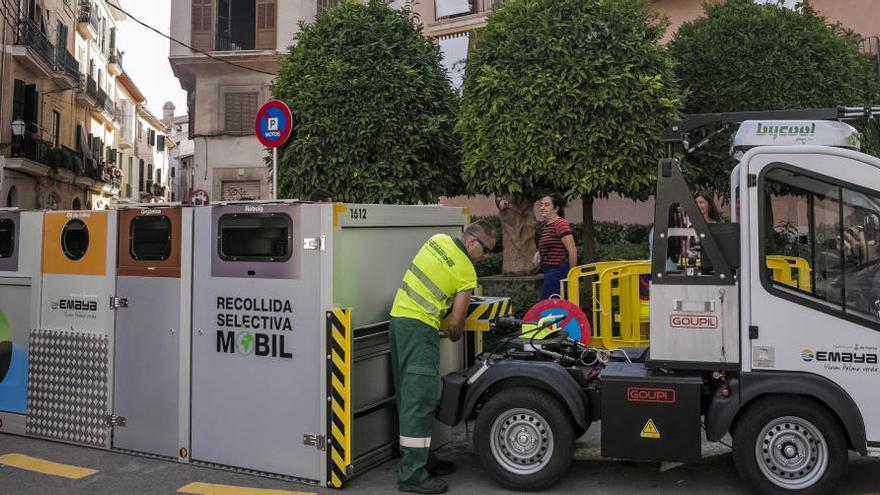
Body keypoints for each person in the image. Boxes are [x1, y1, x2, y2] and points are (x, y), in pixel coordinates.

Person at [389, 222, 496, 494]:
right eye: (486, 250)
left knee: (407, 395)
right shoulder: (466, 272)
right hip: (420, 329)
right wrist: (454, 332)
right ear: (473, 242)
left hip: (398, 320)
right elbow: (457, 324)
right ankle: (412, 474)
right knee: (420, 400)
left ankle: (422, 458)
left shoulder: (437, 239)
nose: (485, 256)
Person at [535, 194, 577, 300]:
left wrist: (571, 275)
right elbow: (551, 245)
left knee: (547, 307)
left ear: (556, 208)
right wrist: (538, 253)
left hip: (557, 271)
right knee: (551, 307)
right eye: (541, 205)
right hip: (549, 271)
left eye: (546, 205)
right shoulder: (547, 225)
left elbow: (572, 250)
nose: (542, 208)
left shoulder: (560, 224)